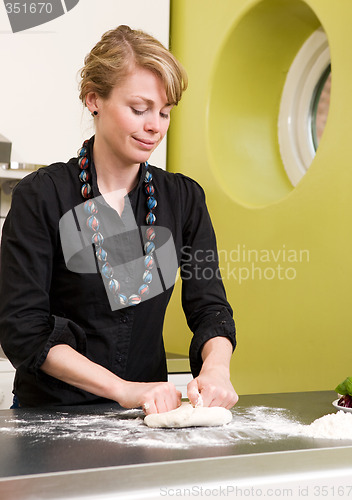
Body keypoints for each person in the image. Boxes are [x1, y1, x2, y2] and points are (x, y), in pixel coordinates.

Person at [0, 25, 237, 413]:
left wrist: (216, 369)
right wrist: (123, 389)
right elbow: (24, 330)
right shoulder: (40, 197)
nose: (155, 126)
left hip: (147, 417)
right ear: (94, 99)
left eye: (164, 112)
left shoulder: (184, 199)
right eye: (139, 109)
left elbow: (210, 308)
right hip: (53, 419)